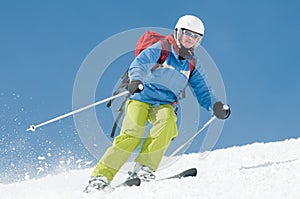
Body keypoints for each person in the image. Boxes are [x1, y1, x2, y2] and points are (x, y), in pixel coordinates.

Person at [85, 14, 231, 192]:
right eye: (187, 33)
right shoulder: (162, 48)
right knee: (132, 133)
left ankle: (143, 169)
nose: (190, 39)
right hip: (141, 97)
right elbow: (140, 63)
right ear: (178, 32)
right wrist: (135, 80)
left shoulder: (192, 63)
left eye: (196, 37)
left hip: (164, 103)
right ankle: (100, 177)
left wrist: (215, 106)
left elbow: (204, 91)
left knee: (168, 123)